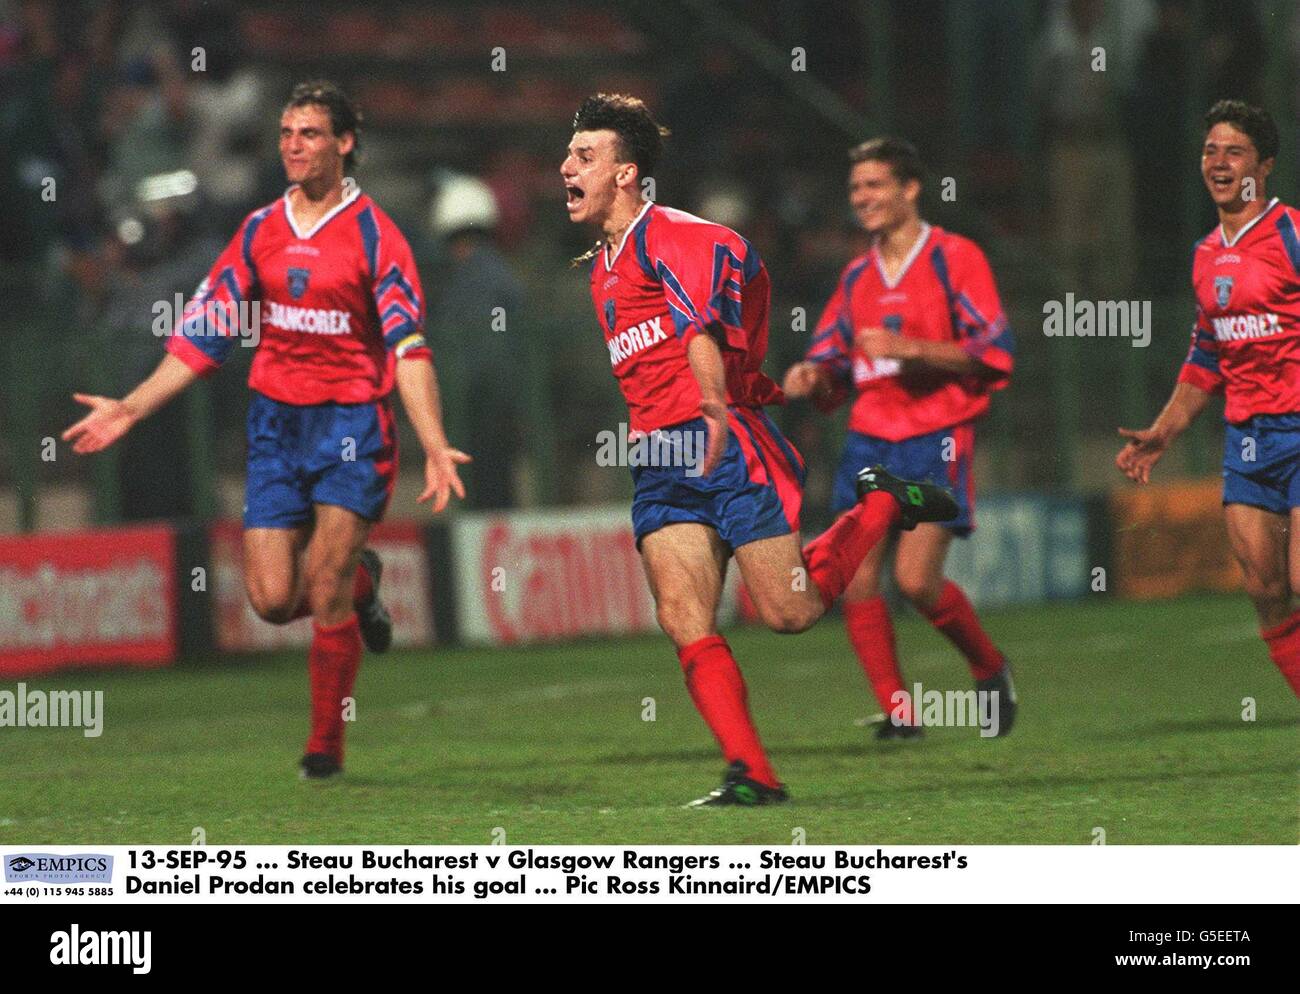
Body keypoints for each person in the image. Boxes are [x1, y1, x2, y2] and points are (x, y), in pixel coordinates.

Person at [561, 93, 960, 806]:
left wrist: (714, 398)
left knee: (790, 612)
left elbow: (699, 331)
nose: (566, 167)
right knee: (683, 618)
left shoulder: (682, 238)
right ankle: (754, 774)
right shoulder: (602, 270)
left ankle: (879, 504)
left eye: (585, 156)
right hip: (659, 459)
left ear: (626, 173)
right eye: (570, 154)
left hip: (723, 441)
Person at [63, 80, 470, 777]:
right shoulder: (259, 232)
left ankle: (324, 751)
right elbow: (204, 334)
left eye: (309, 133)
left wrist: (432, 441)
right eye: (286, 133)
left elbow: (409, 349)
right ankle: (366, 586)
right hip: (277, 429)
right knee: (274, 600)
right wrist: (130, 406)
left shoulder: (378, 236)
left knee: (326, 581)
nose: (293, 145)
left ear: (344, 143)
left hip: (351, 428)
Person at [783, 137, 1017, 738]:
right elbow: (832, 352)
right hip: (869, 441)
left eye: (875, 185)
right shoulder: (858, 275)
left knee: (914, 582)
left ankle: (990, 668)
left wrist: (913, 348)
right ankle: (900, 713)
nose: (863, 198)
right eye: (856, 188)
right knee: (856, 579)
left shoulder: (954, 257)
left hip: (936, 437)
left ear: (911, 189)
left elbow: (993, 351)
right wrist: (812, 374)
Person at [1117, 99, 1300, 698]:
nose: (1218, 162)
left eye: (1234, 151)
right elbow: (1207, 355)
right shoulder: (1203, 256)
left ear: (1264, 165)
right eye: (1210, 150)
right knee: (1264, 587)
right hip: (1248, 439)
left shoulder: (1292, 233)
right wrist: (1163, 431)